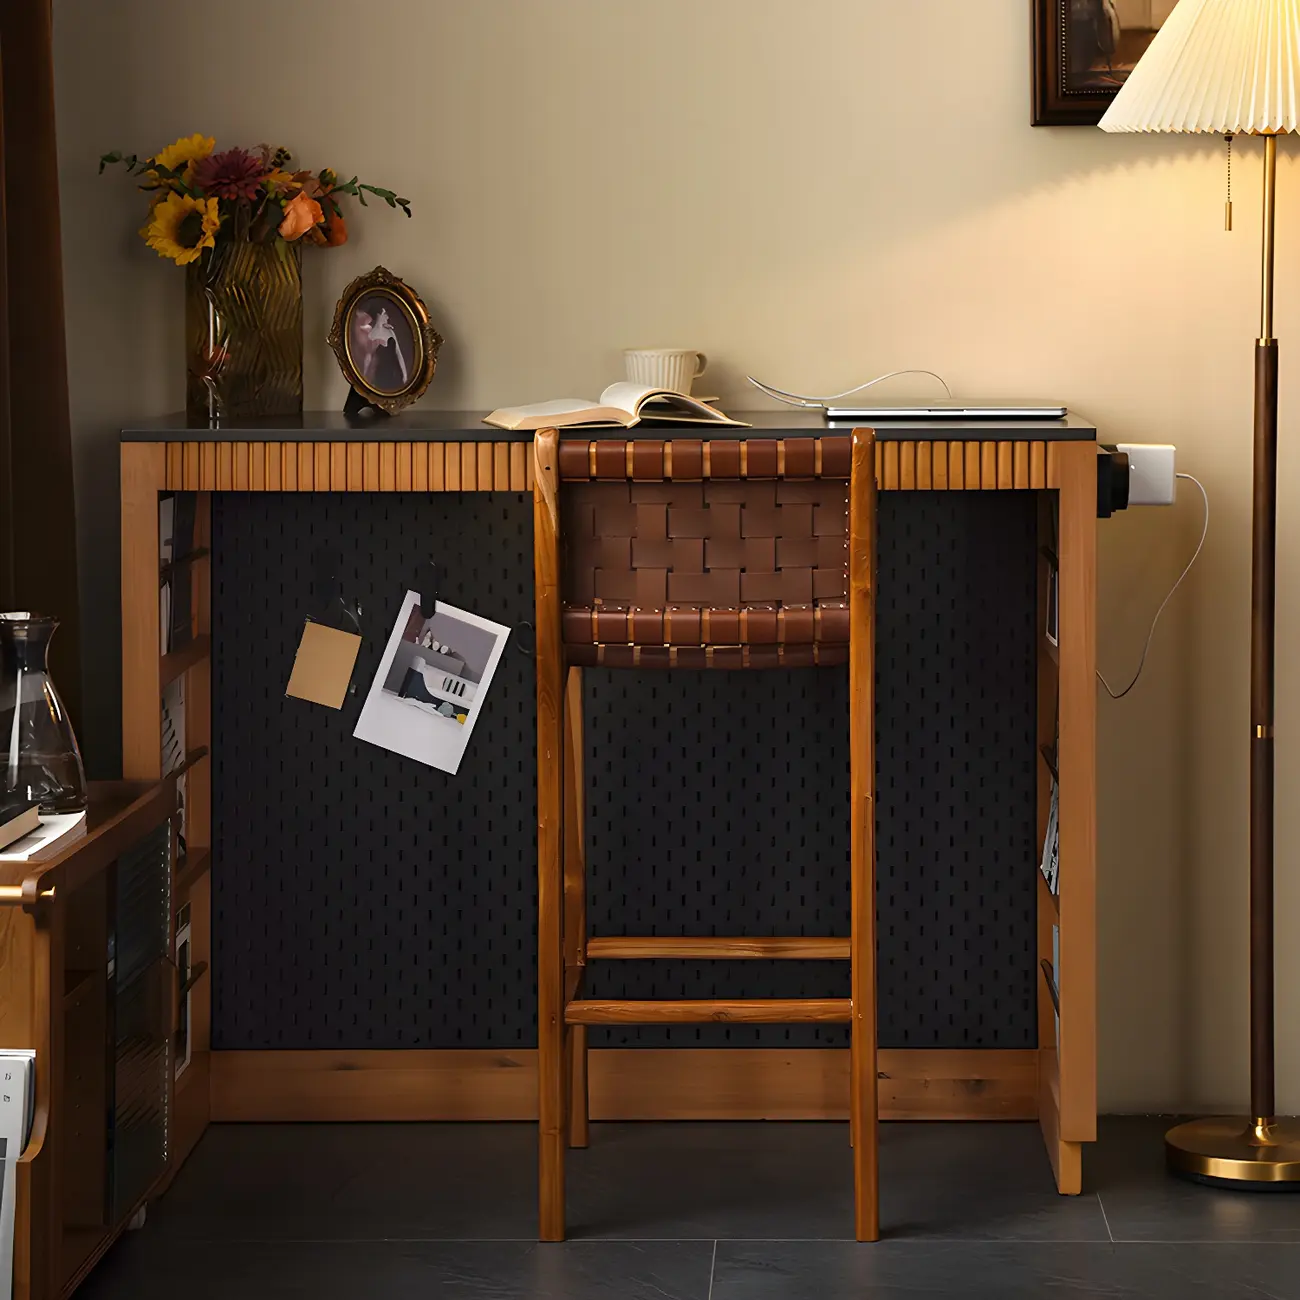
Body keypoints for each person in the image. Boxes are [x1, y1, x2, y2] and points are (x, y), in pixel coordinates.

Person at [357, 301, 409, 392]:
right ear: (379, 316)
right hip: (381, 377)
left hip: (395, 375)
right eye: (385, 314)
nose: (387, 317)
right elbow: (368, 358)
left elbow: (398, 353)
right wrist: (364, 378)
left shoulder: (390, 331)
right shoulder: (371, 335)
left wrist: (405, 375)